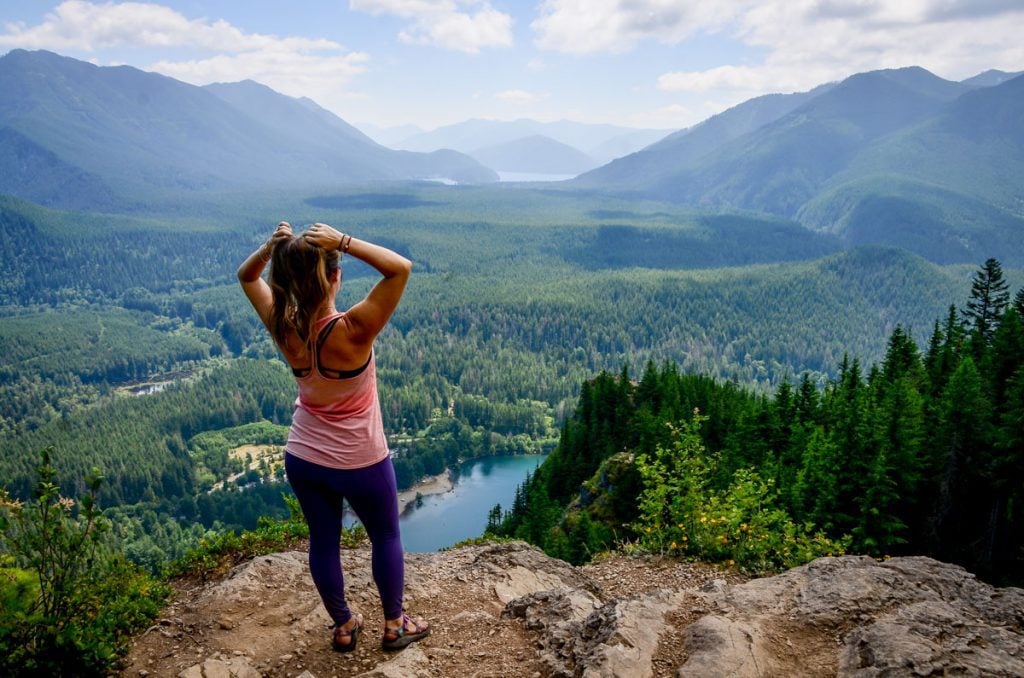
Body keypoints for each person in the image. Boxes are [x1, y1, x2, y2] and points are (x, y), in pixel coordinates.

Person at [237, 221, 429, 653]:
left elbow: (246, 276)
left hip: (303, 456)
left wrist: (271, 246)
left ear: (285, 281)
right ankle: (395, 625)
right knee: (385, 536)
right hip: (361, 459)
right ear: (334, 276)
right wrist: (343, 240)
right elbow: (400, 269)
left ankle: (344, 625)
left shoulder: (283, 326)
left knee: (324, 540)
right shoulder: (354, 329)